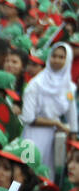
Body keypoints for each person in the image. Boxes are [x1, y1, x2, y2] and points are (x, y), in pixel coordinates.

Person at [22, 42, 78, 182]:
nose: (57, 60)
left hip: (55, 138)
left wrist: (73, 134)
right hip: (34, 134)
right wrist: (56, 123)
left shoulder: (69, 87)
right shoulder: (36, 84)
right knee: (29, 172)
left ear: (68, 60)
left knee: (48, 176)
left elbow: (71, 114)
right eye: (54, 56)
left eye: (61, 57)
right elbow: (28, 118)